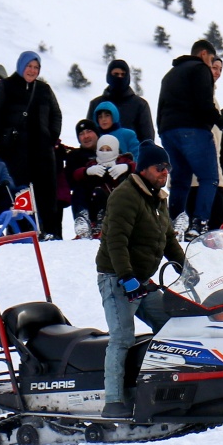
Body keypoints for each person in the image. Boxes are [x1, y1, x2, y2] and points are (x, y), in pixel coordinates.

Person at [95, 142, 186, 418]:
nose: (164, 172)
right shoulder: (126, 195)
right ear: (143, 168)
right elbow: (116, 240)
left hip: (141, 281)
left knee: (170, 326)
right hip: (117, 278)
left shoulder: (158, 197)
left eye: (167, 168)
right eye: (160, 167)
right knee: (122, 337)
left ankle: (162, 388)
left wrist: (187, 267)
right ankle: (113, 402)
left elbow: (168, 237)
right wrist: (126, 278)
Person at [158, 39, 223, 240]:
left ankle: (176, 222)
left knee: (180, 179)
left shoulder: (169, 75)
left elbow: (160, 108)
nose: (212, 65)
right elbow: (205, 105)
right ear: (204, 54)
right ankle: (199, 224)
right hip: (194, 130)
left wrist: (162, 131)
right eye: (212, 59)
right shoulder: (200, 69)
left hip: (169, 131)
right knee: (209, 178)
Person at [0, 51, 63, 238]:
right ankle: (23, 232)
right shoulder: (6, 86)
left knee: (46, 192)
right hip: (14, 150)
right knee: (19, 191)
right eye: (29, 66)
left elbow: (56, 114)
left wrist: (51, 136)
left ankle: (50, 231)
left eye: (36, 67)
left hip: (42, 149)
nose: (32, 70)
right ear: (21, 66)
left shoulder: (44, 89)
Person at [88, 57, 156, 146]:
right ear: (109, 76)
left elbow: (147, 137)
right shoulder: (96, 104)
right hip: (101, 155)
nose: (119, 77)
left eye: (123, 74)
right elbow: (89, 133)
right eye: (116, 74)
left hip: (131, 156)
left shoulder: (140, 105)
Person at [83, 134, 135, 233]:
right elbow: (76, 175)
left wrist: (127, 167)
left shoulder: (123, 160)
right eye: (102, 150)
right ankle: (98, 222)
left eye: (108, 150)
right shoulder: (93, 164)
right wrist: (88, 171)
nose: (105, 153)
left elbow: (140, 170)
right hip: (99, 200)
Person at [63, 120, 103, 238]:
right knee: (78, 192)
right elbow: (69, 180)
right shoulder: (75, 155)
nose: (86, 136)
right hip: (83, 194)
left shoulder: (107, 150)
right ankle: (82, 221)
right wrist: (85, 172)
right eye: (81, 134)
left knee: (101, 192)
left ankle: (102, 223)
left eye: (89, 131)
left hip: (103, 194)